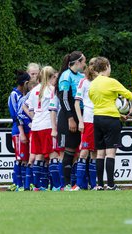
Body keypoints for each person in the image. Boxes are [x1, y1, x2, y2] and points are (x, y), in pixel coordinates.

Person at [89, 57, 132, 190]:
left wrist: (118, 114)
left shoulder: (93, 84)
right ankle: (110, 184)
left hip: (97, 118)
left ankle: (99, 185)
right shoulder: (111, 82)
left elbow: (97, 101)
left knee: (99, 154)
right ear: (107, 66)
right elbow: (130, 96)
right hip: (111, 120)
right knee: (110, 153)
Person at [57, 51, 86, 191]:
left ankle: (79, 183)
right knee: (68, 151)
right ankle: (66, 185)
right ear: (77, 62)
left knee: (82, 150)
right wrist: (70, 118)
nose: (85, 64)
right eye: (84, 61)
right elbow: (63, 99)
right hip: (68, 116)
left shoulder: (82, 76)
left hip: (81, 114)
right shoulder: (65, 76)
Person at [28, 66, 60, 191]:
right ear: (52, 77)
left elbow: (30, 111)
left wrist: (37, 118)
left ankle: (37, 186)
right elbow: (53, 109)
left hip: (36, 126)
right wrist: (54, 127)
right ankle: (57, 186)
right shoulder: (52, 90)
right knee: (53, 155)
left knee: (39, 156)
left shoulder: (34, 90)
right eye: (55, 78)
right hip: (48, 125)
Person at [72, 58, 98, 191]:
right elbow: (77, 103)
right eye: (92, 64)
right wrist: (80, 121)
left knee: (95, 153)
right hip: (88, 120)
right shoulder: (84, 82)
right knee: (83, 153)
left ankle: (94, 184)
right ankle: (79, 184)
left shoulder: (102, 82)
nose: (93, 67)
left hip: (100, 119)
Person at [7, 70, 30, 191]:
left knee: (27, 158)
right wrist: (21, 132)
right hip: (18, 131)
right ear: (25, 83)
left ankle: (26, 184)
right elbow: (15, 115)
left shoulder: (26, 94)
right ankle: (18, 184)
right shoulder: (14, 95)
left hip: (28, 129)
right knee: (20, 159)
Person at [17, 80, 38, 191]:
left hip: (37, 128)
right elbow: (19, 115)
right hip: (31, 130)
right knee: (30, 157)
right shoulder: (24, 99)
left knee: (41, 157)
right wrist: (29, 122)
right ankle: (26, 185)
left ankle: (35, 184)